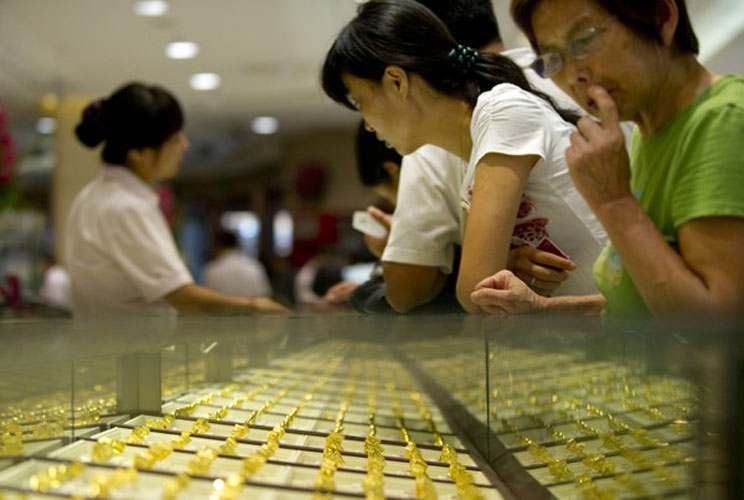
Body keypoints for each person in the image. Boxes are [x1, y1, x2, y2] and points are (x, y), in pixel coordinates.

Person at [321, 0, 607, 314]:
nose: (367, 123)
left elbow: (474, 293)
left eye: (360, 101)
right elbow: (479, 294)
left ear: (397, 82)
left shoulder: (500, 111)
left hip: (647, 324)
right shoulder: (469, 145)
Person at [470, 0, 744, 319]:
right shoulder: (648, 131)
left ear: (661, 17)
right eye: (554, 58)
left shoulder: (720, 122)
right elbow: (642, 304)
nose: (574, 75)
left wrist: (614, 201)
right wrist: (540, 308)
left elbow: (717, 329)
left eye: (585, 40)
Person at [66, 82, 289, 317]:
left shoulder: (93, 195)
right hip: (133, 349)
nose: (185, 145)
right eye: (174, 139)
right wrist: (254, 308)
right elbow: (183, 297)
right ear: (139, 154)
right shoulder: (125, 206)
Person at [203, 229, 272, 299]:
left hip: (221, 309)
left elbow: (208, 300)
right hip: (251, 309)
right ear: (237, 244)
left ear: (216, 245)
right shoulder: (254, 267)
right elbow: (264, 297)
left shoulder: (211, 270)